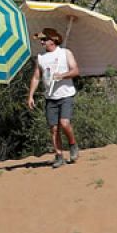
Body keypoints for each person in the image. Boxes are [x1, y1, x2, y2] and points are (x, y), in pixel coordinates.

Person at [26, 27, 79, 168]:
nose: (42, 42)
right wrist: (30, 95)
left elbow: (75, 70)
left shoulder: (65, 53)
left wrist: (62, 75)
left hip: (66, 94)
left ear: (53, 40)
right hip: (50, 97)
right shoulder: (41, 57)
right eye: (41, 40)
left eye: (44, 39)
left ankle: (73, 145)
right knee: (53, 128)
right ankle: (59, 155)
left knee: (64, 123)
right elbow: (36, 77)